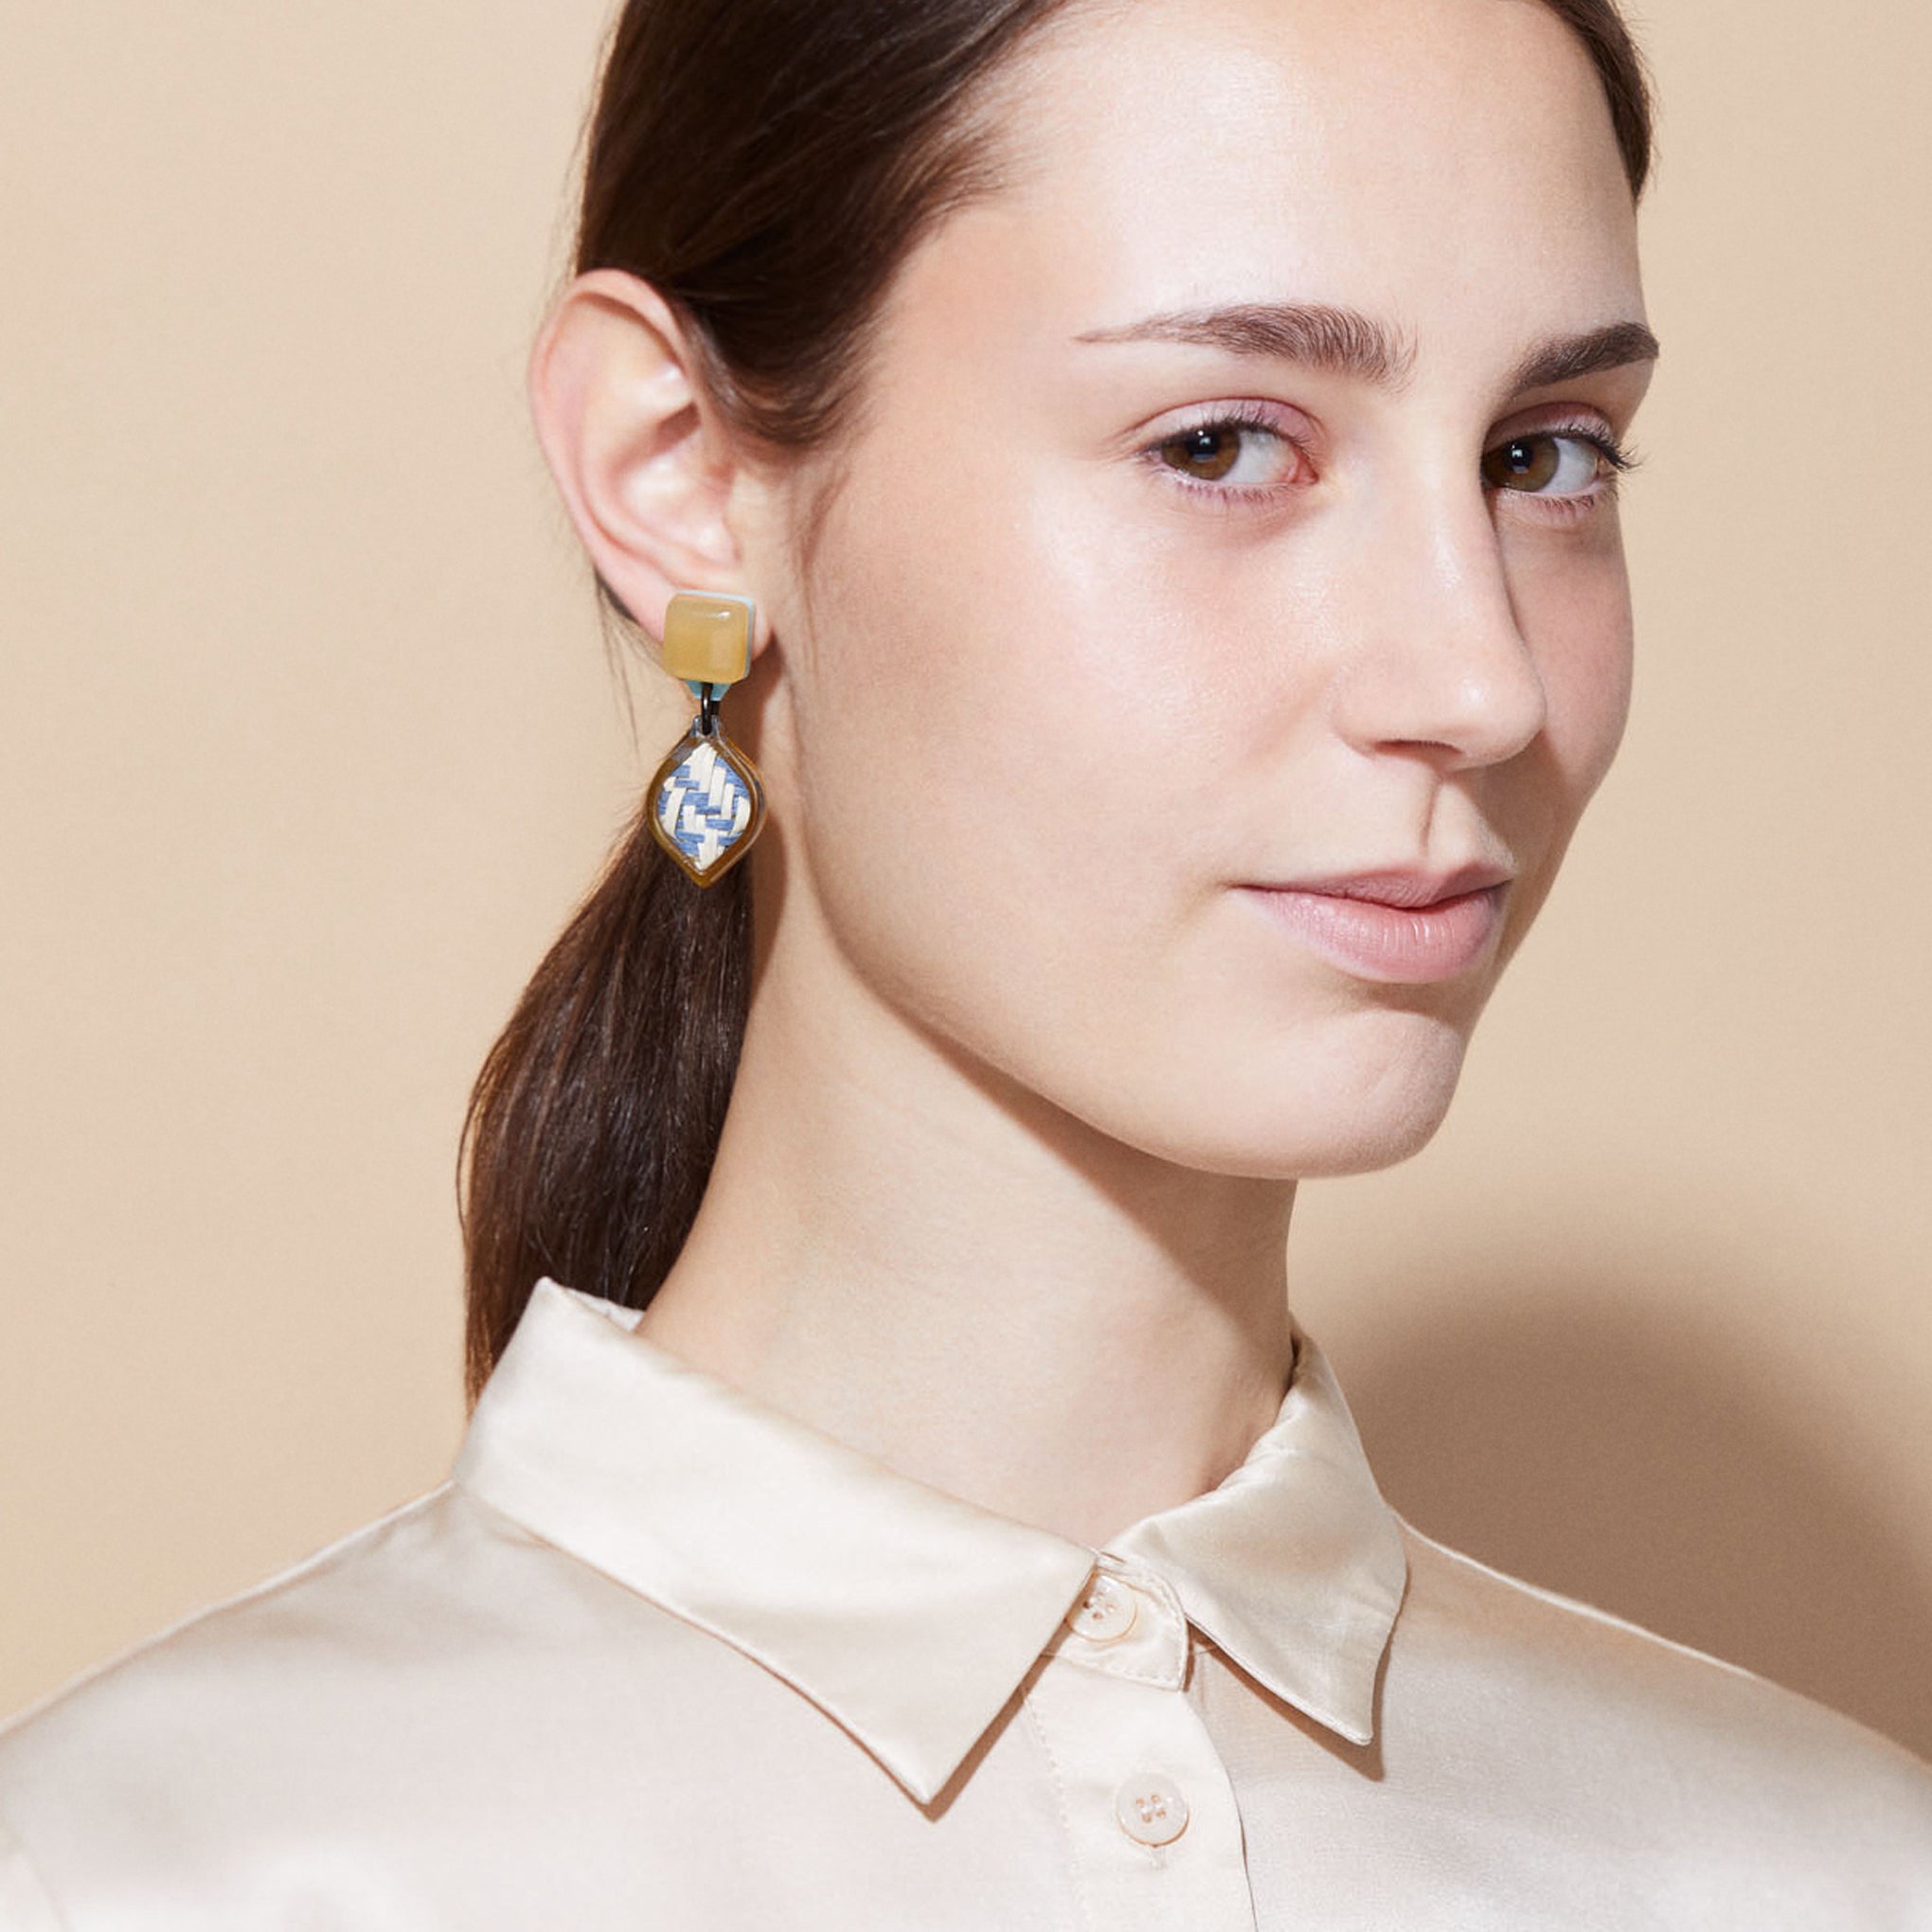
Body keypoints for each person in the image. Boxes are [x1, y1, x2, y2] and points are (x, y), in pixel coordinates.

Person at [3, 0, 1929, 1923]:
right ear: (678, 469)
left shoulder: (1828, 1870)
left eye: (1543, 454)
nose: (1481, 679)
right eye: (1221, 442)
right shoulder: (142, 1870)